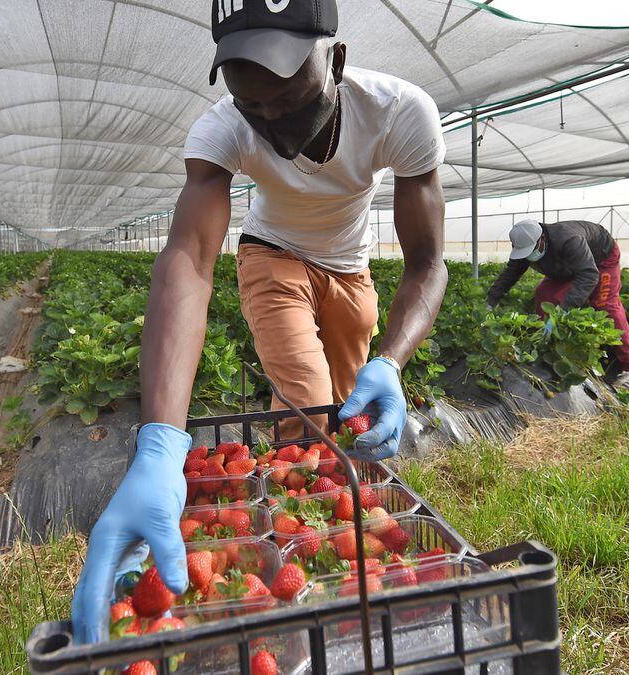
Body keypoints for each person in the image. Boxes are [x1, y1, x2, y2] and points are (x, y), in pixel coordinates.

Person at [70, 0, 448, 644]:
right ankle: (294, 563)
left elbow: (427, 263)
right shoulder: (222, 131)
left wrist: (391, 363)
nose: (273, 122)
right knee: (304, 402)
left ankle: (340, 530)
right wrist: (161, 440)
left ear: (337, 60)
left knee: (353, 406)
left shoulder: (399, 111)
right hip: (271, 254)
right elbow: (188, 261)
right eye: (254, 106)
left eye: (292, 100)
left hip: (351, 269)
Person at [486, 219, 629, 393]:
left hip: (601, 259)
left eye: (531, 251)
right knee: (544, 294)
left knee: (604, 303)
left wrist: (563, 310)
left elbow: (589, 276)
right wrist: (490, 302)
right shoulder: (526, 248)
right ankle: (549, 350)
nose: (529, 256)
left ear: (542, 239)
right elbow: (510, 275)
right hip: (569, 265)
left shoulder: (569, 239)